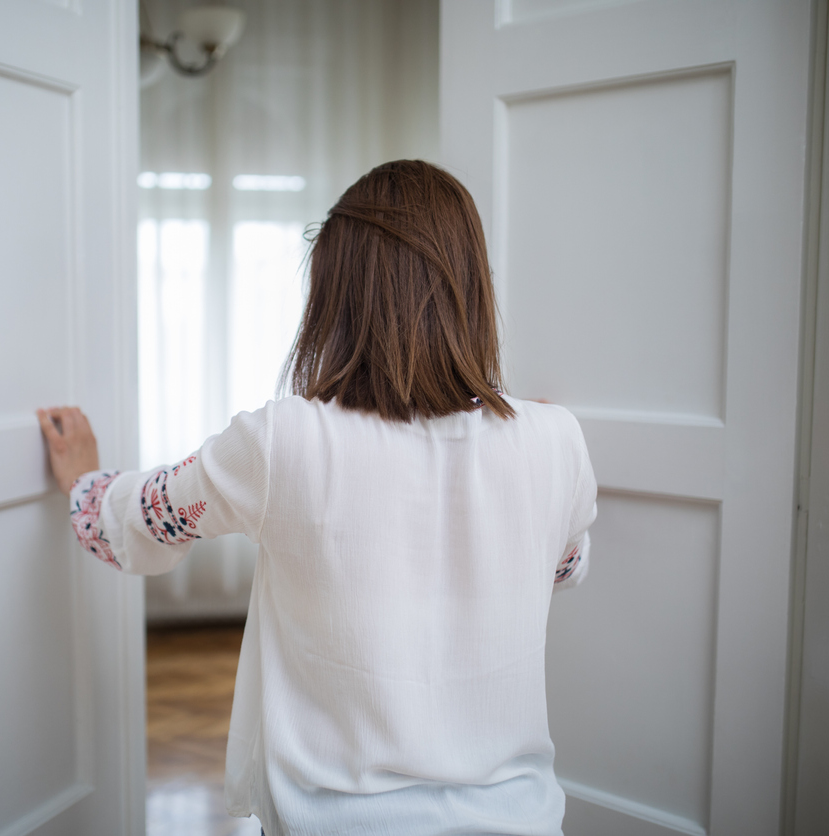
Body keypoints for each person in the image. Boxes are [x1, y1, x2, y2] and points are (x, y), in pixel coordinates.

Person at [37, 160, 596, 836]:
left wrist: (87, 481)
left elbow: (142, 524)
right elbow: (562, 566)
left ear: (336, 295)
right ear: (473, 285)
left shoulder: (283, 441)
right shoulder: (554, 438)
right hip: (522, 820)